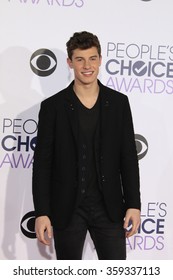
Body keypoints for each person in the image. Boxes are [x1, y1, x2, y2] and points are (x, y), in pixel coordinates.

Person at [32, 31, 141, 260]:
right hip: (67, 210)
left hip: (109, 208)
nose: (87, 66)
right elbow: (42, 165)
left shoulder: (119, 103)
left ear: (100, 60)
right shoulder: (53, 107)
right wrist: (42, 212)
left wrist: (133, 204)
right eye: (80, 59)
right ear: (70, 63)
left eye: (92, 58)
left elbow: (128, 158)